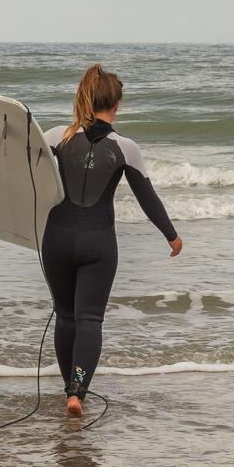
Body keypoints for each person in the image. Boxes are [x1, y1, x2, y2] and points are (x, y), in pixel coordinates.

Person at [41, 64, 182, 417]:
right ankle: (78, 391)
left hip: (56, 240)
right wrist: (171, 235)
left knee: (66, 316)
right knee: (90, 319)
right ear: (117, 102)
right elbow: (147, 197)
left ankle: (67, 391)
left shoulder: (55, 136)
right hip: (98, 243)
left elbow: (12, 166)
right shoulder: (125, 147)